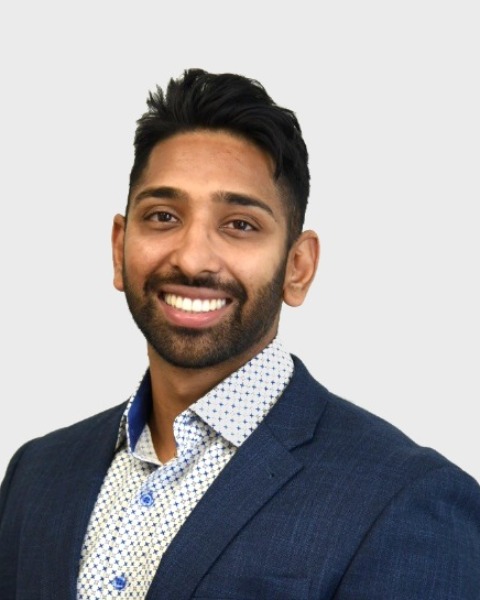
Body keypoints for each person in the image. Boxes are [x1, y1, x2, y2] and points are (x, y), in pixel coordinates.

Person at [0, 69, 479, 600]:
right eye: (163, 216)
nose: (192, 259)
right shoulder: (35, 476)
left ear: (297, 267)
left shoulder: (408, 500)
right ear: (119, 247)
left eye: (240, 225)